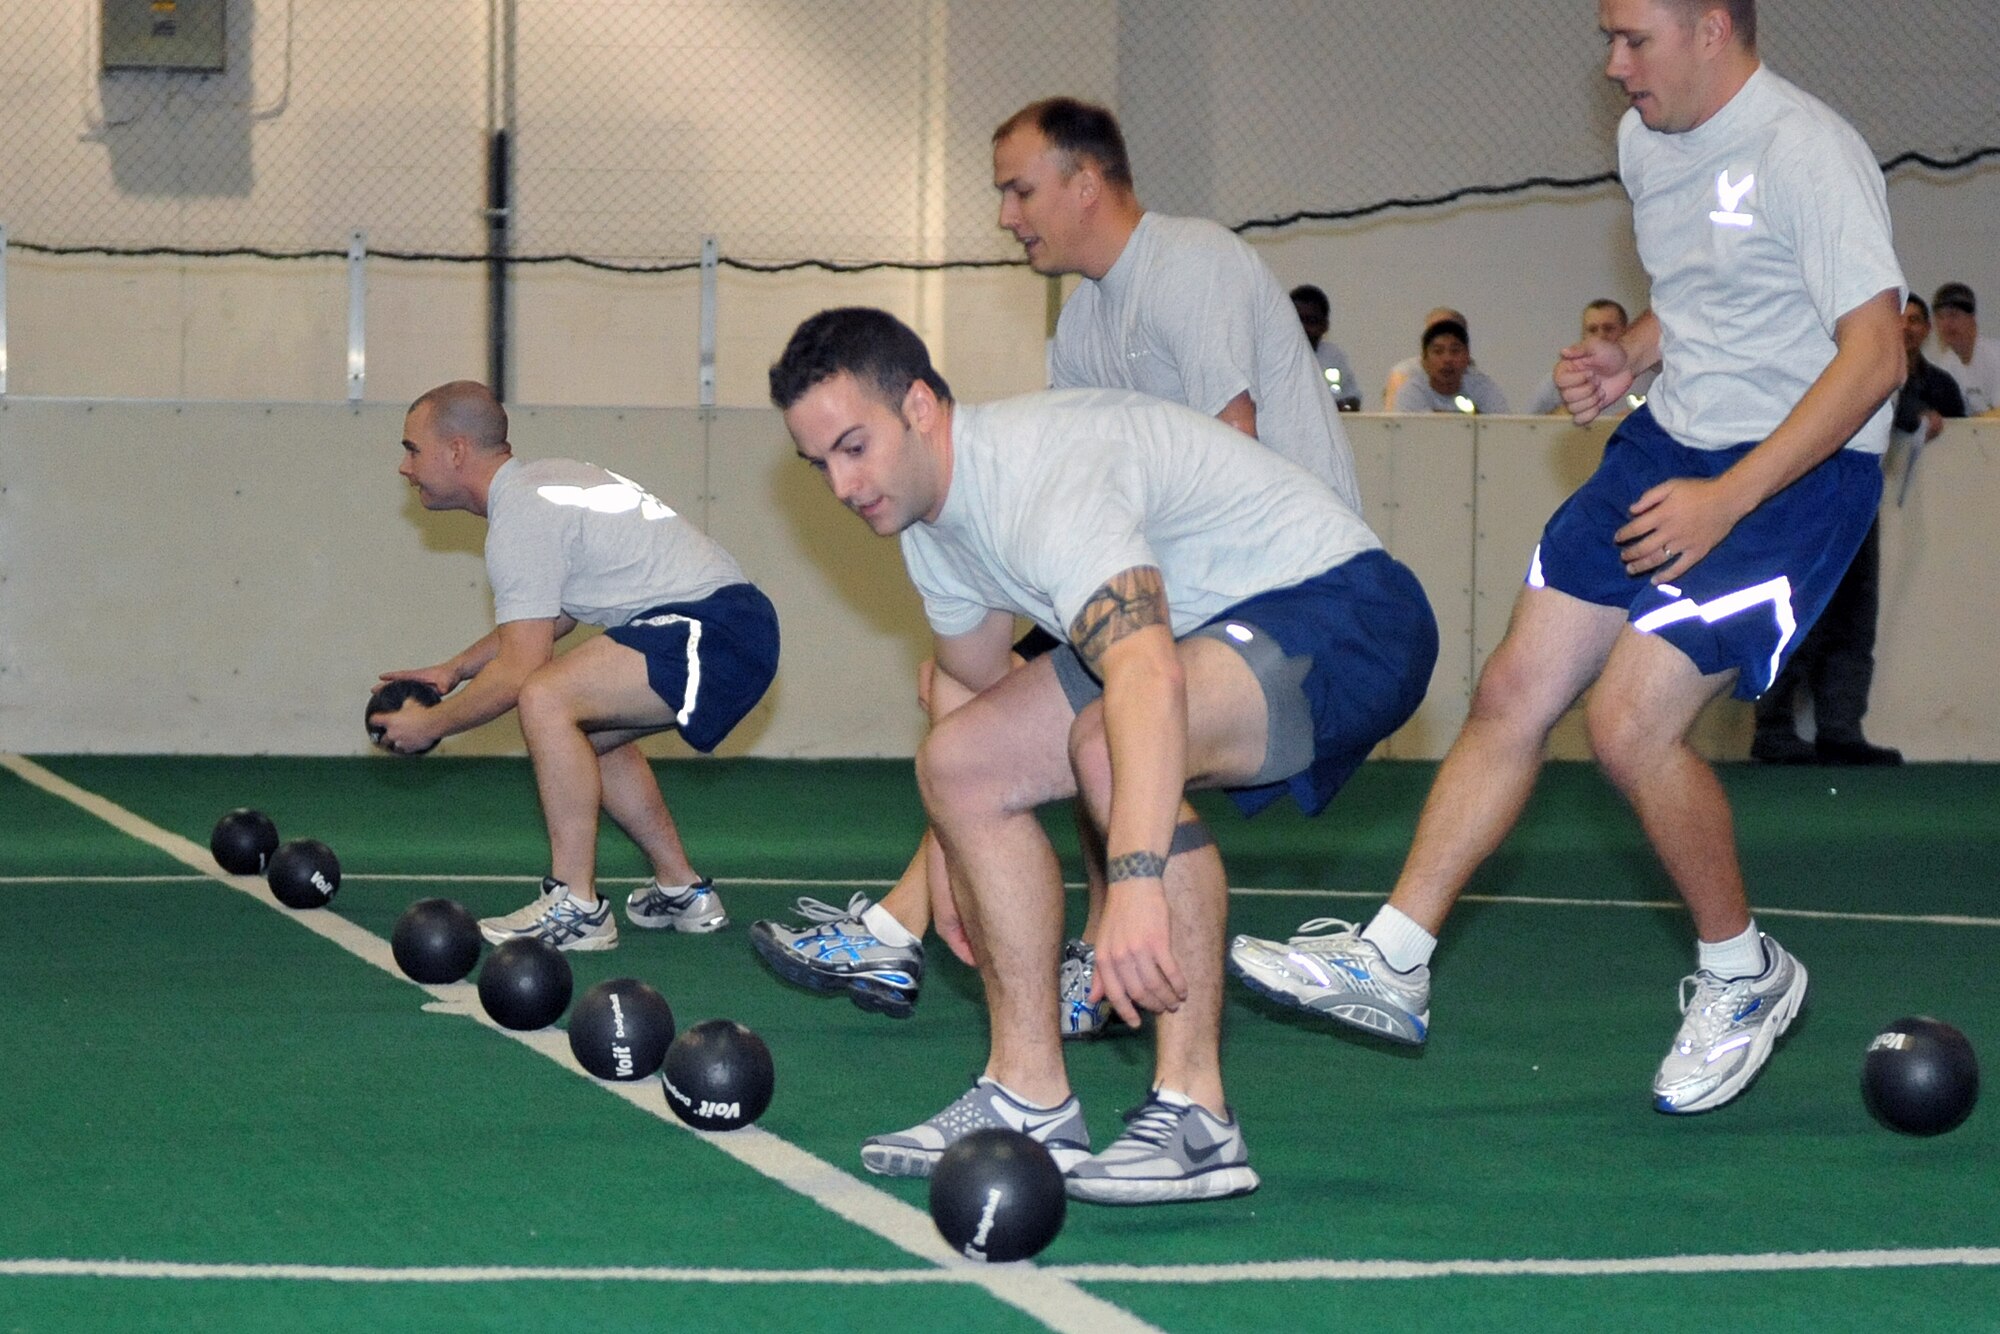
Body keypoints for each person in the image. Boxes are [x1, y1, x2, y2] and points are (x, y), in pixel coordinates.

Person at [1229, 0, 1905, 1116]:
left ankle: (1743, 975)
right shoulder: (1647, 142)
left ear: (1709, 28)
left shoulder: (1805, 152)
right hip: (1667, 443)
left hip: (1789, 477)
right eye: (1608, 37)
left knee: (1628, 723)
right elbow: (1703, 299)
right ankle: (1393, 954)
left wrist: (1725, 500)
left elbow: (1874, 354)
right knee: (1512, 691)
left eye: (1632, 38)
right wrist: (1624, 357)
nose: (1611, 64)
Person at [770, 307, 1435, 1203]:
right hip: (1201, 631)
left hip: (1350, 612)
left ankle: (1197, 1116)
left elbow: (1148, 681)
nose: (844, 486)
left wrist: (1134, 883)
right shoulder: (931, 527)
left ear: (920, 407)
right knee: (959, 764)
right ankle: (1027, 1094)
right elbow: (973, 698)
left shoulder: (1045, 476)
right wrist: (957, 864)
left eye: (854, 447)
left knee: (1107, 741)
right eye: (821, 465)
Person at [750, 96, 1361, 1028]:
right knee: (983, 706)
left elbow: (1231, 437)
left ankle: (920, 924)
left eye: (1020, 189)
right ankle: (966, 928)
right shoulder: (1081, 324)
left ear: (1086, 182)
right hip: (1157, 572)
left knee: (1098, 707)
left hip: (1274, 582)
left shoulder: (1188, 263)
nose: (1006, 215)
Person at [374, 381, 779, 950]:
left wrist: (432, 725)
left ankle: (576, 905)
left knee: (546, 696)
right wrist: (454, 670)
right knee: (579, 727)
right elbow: (552, 615)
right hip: (730, 628)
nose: (404, 467)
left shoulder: (521, 516)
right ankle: (683, 889)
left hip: (709, 629)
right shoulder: (545, 486)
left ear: (458, 450)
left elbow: (522, 671)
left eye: (413, 449)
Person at [1752, 295, 1962, 766]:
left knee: (1850, 616)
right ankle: (1777, 726)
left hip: (1852, 491)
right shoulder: (1827, 343)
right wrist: (1912, 415)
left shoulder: (1859, 343)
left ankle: (1838, 727)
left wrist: (1912, 413)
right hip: (1810, 491)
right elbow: (1873, 389)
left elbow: (1885, 392)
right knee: (1800, 613)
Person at [1526, 301, 1657, 414]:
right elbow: (1531, 428)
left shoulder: (1654, 380)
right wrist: (1570, 411)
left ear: (1625, 330)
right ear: (1583, 334)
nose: (1600, 336)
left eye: (1608, 328)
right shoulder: (1558, 382)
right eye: (1592, 329)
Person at [1382, 308, 1509, 411]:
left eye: (1454, 351)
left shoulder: (1482, 387)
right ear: (1424, 356)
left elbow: (1503, 429)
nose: (1447, 359)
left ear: (1467, 356)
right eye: (1438, 351)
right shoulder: (1409, 387)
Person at [1928, 282, 2000, 416]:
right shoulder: (1947, 365)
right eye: (1940, 317)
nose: (1946, 324)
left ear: (1972, 319)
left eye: (1953, 315)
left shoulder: (1995, 356)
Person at [1290, 284, 1362, 411]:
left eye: (1311, 321)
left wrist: (1342, 407)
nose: (1303, 328)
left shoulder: (1334, 357)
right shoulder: (1268, 356)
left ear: (1325, 326)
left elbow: (1352, 399)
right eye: (1297, 320)